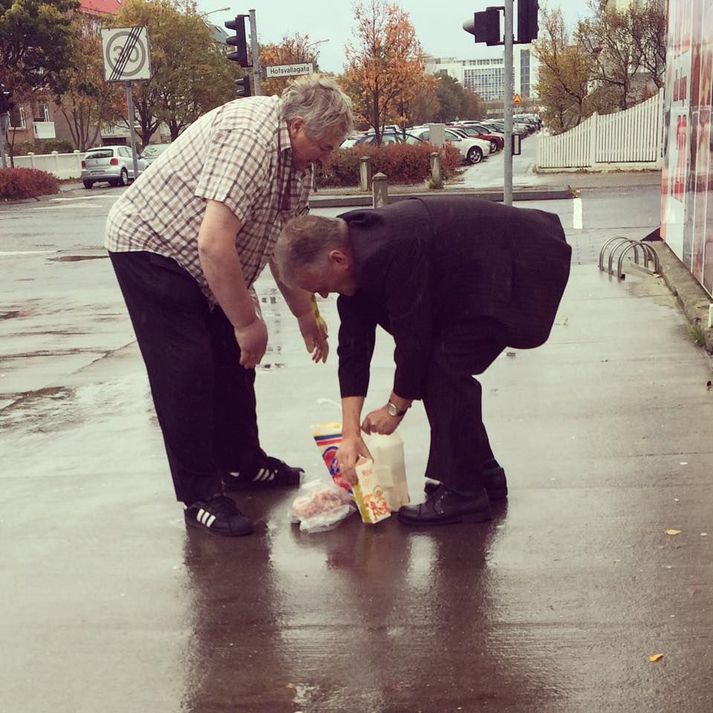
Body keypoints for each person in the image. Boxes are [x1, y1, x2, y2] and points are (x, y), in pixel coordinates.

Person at [105, 75, 353, 537]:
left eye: (334, 148)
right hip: (152, 245)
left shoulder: (298, 162)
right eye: (324, 146)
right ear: (296, 125)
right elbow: (213, 243)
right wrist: (246, 321)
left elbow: (287, 244)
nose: (327, 157)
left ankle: (242, 462)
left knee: (236, 362)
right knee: (188, 370)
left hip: (207, 259)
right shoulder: (251, 138)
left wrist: (304, 314)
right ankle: (199, 493)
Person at [274, 196, 571, 526]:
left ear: (337, 259)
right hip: (480, 269)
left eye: (321, 286)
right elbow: (354, 346)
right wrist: (350, 434)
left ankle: (464, 495)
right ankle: (482, 471)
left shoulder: (390, 249)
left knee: (443, 366)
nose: (325, 295)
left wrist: (393, 409)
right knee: (439, 364)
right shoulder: (347, 246)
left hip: (523, 264)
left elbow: (414, 338)